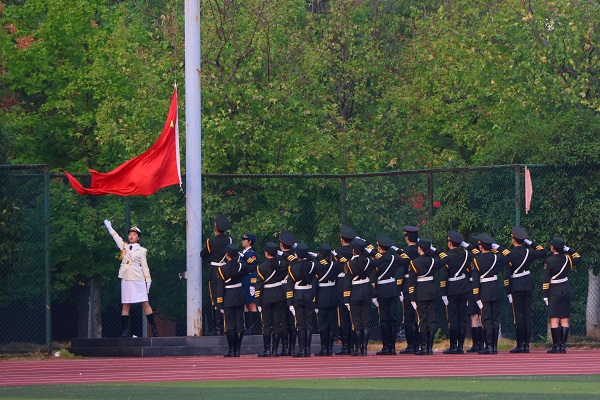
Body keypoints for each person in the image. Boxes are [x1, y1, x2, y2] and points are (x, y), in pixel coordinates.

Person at [103, 220, 159, 338]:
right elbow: (116, 238)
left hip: (137, 277)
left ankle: (154, 329)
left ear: (138, 238)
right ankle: (124, 331)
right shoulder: (124, 246)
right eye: (130, 234)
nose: (131, 236)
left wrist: (148, 280)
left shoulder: (141, 250)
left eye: (134, 235)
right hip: (126, 277)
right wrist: (110, 228)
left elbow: (144, 266)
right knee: (126, 304)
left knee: (145, 302)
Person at [498, 227, 547, 353]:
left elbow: (506, 275)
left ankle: (520, 344)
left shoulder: (510, 254)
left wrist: (508, 291)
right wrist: (530, 243)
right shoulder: (529, 252)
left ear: (513, 240)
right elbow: (542, 251)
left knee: (518, 316)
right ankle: (526, 345)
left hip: (516, 286)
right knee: (527, 315)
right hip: (528, 284)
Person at [215, 244, 255, 357]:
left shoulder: (222, 269)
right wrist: (244, 256)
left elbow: (220, 288)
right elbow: (253, 264)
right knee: (239, 322)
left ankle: (231, 350)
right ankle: (237, 350)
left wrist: (219, 303)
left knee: (230, 324)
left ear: (226, 254)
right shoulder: (241, 266)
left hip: (228, 296)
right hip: (239, 295)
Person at [371, 233, 408, 355]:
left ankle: (386, 347)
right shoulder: (394, 258)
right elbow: (406, 259)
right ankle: (392, 347)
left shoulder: (377, 260)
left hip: (382, 290)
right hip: (393, 289)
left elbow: (372, 275)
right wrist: (397, 249)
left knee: (384, 319)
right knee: (393, 318)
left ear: (379, 247)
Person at [543, 237, 581, 353]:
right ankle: (563, 346)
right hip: (565, 289)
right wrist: (568, 250)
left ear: (553, 248)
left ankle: (556, 346)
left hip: (554, 291)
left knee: (554, 319)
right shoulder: (567, 259)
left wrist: (545, 295)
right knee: (564, 319)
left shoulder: (549, 261)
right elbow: (578, 258)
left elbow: (546, 280)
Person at [407, 239, 444, 355]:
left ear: (419, 249)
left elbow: (411, 281)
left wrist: (412, 297)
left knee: (422, 320)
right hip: (431, 292)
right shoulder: (434, 261)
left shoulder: (414, 262)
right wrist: (434, 250)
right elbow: (446, 258)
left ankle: (423, 347)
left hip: (420, 293)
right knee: (431, 319)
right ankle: (429, 348)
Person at [471, 234, 505, 354]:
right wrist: (497, 248)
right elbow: (507, 254)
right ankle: (494, 347)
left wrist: (476, 297)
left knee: (486, 319)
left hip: (484, 291)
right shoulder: (497, 258)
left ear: (480, 247)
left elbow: (475, 281)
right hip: (495, 289)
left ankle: (489, 346)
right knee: (495, 318)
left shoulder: (476, 261)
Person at [440, 231, 472, 354]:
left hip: (452, 289)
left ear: (450, 243)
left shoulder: (446, 257)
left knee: (453, 318)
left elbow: (443, 276)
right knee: (462, 318)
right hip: (464, 288)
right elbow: (476, 251)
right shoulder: (466, 254)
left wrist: (443, 293)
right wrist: (466, 245)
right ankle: (461, 346)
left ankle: (453, 346)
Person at [200, 215, 232, 335]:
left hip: (215, 272)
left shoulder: (211, 241)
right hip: (227, 270)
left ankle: (218, 328)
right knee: (226, 297)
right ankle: (227, 326)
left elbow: (203, 254)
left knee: (216, 300)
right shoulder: (230, 240)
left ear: (216, 227)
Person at [255, 242, 287, 357]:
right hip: (279, 295)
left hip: (266, 296)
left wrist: (258, 302)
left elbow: (259, 285)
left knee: (266, 324)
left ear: (266, 253)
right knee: (277, 323)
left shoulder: (262, 267)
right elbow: (292, 262)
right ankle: (275, 350)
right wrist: (282, 254)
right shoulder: (282, 265)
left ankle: (267, 350)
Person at [343, 238, 374, 356]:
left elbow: (347, 282)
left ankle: (358, 348)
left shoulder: (349, 264)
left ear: (353, 250)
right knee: (366, 322)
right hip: (366, 292)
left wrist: (346, 300)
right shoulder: (368, 261)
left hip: (355, 293)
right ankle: (365, 349)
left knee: (356, 322)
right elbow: (377, 259)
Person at [287, 243, 317, 357]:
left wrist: (290, 303)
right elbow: (320, 262)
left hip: (298, 295)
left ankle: (302, 350)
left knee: (300, 323)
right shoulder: (312, 265)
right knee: (308, 322)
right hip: (309, 294)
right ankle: (307, 350)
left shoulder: (293, 267)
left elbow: (290, 286)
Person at [313, 243, 344, 356]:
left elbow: (314, 283)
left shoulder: (317, 266)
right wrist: (336, 254)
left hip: (322, 295)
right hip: (333, 294)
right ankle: (330, 348)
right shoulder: (335, 265)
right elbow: (344, 263)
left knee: (323, 323)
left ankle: (324, 348)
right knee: (332, 322)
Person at [334, 225, 356, 355]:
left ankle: (346, 346)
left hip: (342, 285)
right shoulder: (355, 251)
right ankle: (355, 345)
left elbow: (336, 268)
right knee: (354, 317)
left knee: (343, 318)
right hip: (354, 284)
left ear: (342, 239)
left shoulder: (338, 252)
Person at [399, 226, 420, 354]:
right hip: (420, 284)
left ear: (407, 238)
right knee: (419, 315)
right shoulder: (421, 250)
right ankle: (419, 344)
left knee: (408, 317)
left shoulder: (404, 252)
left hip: (407, 285)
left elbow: (400, 270)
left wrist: (399, 287)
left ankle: (411, 344)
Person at [277, 230, 298, 356]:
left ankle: (285, 348)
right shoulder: (295, 258)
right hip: (293, 290)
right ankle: (292, 348)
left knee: (283, 320)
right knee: (292, 320)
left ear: (281, 244)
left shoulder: (279, 258)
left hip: (282, 290)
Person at [465, 235, 484, 353]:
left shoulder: (469, 257)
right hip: (483, 286)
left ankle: (476, 344)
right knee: (481, 316)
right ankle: (483, 343)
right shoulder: (483, 256)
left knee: (474, 317)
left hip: (472, 287)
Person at [240, 233, 260, 334]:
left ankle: (253, 328)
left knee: (252, 304)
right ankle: (248, 327)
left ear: (250, 242)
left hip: (249, 280)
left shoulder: (252, 253)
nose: (243, 241)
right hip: (244, 280)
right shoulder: (243, 252)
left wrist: (253, 285)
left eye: (245, 240)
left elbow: (252, 267)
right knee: (247, 304)